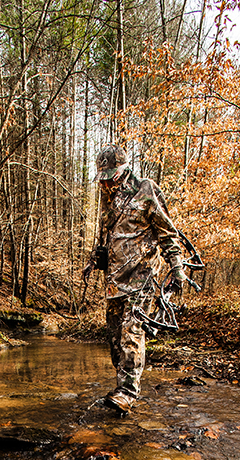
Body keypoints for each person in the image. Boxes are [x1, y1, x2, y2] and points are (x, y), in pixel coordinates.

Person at [83, 144, 186, 413]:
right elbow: (108, 236)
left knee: (132, 333)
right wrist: (95, 260)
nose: (105, 183)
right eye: (102, 178)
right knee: (115, 338)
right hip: (115, 279)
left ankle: (127, 392)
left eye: (110, 177)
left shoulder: (146, 189)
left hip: (143, 276)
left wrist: (177, 267)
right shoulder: (107, 198)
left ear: (123, 170)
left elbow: (167, 233)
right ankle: (122, 385)